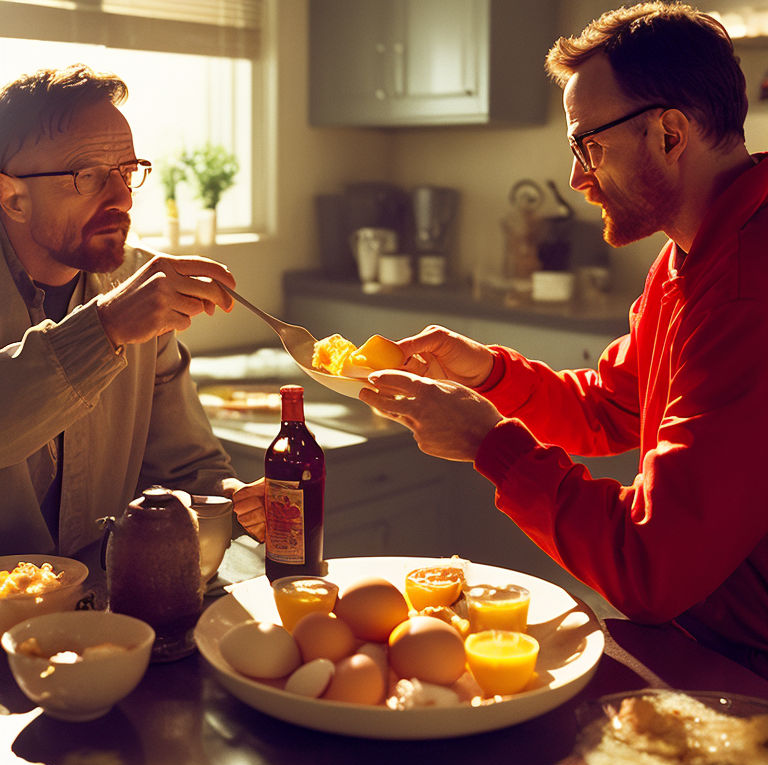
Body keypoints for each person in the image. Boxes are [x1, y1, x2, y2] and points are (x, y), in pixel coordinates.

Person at [359, 2, 768, 677]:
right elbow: (610, 409)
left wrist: (486, 443)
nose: (578, 177)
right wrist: (485, 373)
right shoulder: (688, 258)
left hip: (748, 665)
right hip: (704, 633)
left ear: (670, 133)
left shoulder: (750, 290)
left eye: (589, 145)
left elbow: (649, 567)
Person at [0, 64, 265, 559]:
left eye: (127, 172)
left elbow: (185, 468)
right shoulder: (129, 306)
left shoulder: (135, 285)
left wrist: (235, 501)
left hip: (106, 613)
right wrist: (107, 327)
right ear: (12, 197)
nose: (123, 197)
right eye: (87, 176)